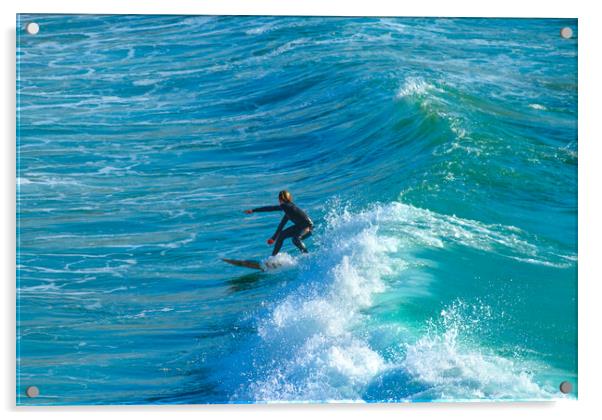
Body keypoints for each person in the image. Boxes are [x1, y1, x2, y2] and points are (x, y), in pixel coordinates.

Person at [244, 190, 313, 256]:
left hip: (307, 227)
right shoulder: (288, 210)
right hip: (300, 227)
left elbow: (270, 208)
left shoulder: (287, 206)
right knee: (282, 235)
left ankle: (307, 255)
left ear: (281, 199)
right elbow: (281, 225)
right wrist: (273, 238)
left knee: (295, 239)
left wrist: (254, 210)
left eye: (279, 199)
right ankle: (273, 258)